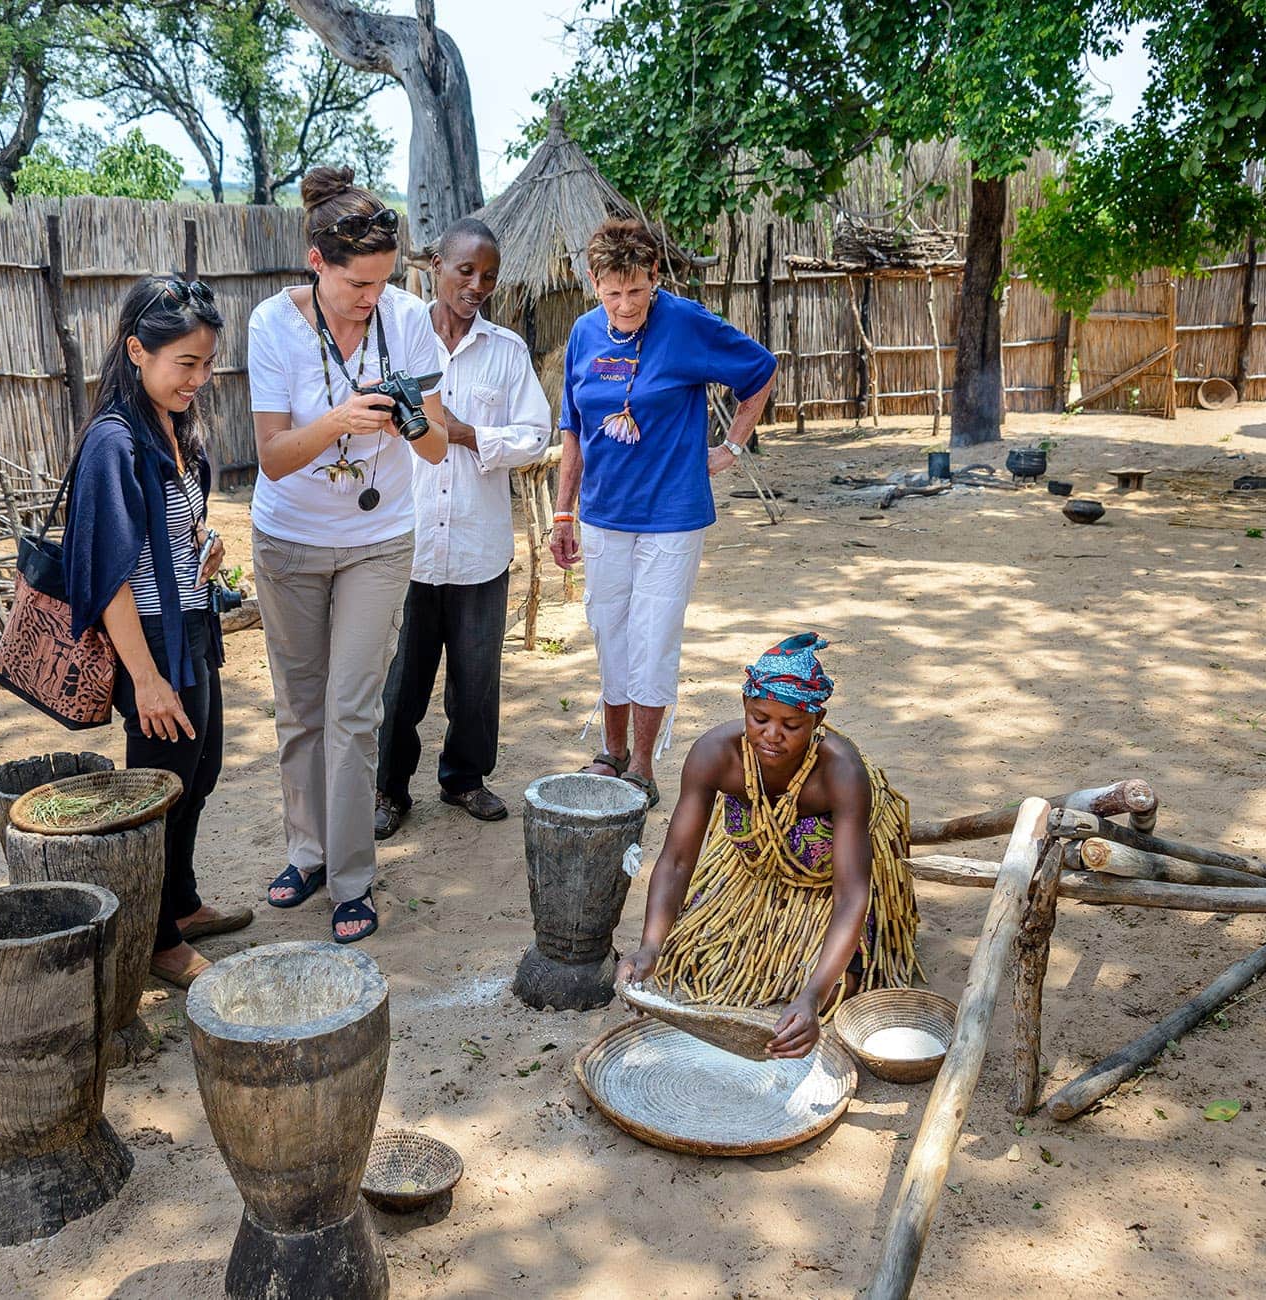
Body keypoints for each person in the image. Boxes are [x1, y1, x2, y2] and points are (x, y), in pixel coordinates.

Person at [245, 165, 451, 943]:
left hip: (376, 542)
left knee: (353, 712)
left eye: (383, 282)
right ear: (317, 262)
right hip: (290, 539)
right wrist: (340, 421)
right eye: (357, 284)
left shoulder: (408, 320)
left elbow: (434, 449)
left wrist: (406, 423)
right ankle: (307, 852)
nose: (372, 298)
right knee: (300, 708)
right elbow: (271, 456)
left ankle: (353, 879)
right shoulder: (272, 324)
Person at [550, 217, 777, 808]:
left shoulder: (686, 323)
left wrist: (730, 448)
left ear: (654, 275)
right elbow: (572, 431)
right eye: (612, 293)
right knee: (609, 631)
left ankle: (643, 767)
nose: (625, 305)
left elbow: (760, 369)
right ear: (595, 285)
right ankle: (612, 749)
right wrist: (562, 514)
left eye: (636, 290)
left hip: (672, 515)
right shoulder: (582, 334)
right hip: (602, 514)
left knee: (652, 637)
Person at [63, 274, 251, 989]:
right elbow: (109, 576)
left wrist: (202, 546)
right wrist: (144, 678)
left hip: (191, 624)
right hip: (148, 640)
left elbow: (163, 534)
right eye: (186, 364)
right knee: (160, 786)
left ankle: (183, 899)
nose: (198, 379)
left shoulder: (172, 426)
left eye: (206, 365)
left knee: (197, 775)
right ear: (138, 350)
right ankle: (158, 938)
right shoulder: (114, 442)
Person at [614, 634, 923, 1058]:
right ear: (744, 707)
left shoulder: (841, 773)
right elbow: (677, 860)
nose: (772, 735)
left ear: (818, 721)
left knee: (830, 993)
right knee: (692, 966)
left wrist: (814, 996)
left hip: (825, 887)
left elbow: (851, 894)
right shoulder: (714, 756)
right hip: (755, 872)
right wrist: (650, 945)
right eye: (759, 719)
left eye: (791, 725)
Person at [374, 218, 552, 839]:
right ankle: (388, 789)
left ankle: (465, 779)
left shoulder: (505, 351)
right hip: (407, 542)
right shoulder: (395, 340)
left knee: (476, 679)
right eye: (465, 271)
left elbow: (535, 435)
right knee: (401, 678)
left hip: (479, 544)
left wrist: (465, 432)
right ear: (435, 264)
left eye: (489, 276)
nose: (477, 285)